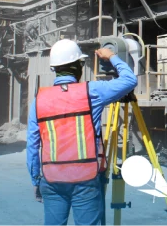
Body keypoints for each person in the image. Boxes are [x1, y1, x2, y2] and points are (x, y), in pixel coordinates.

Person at [27, 39, 137, 226]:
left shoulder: (39, 100)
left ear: (54, 68)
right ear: (78, 66)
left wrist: (36, 179)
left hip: (51, 179)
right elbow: (129, 80)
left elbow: (32, 144)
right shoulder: (91, 91)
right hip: (85, 178)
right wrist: (112, 57)